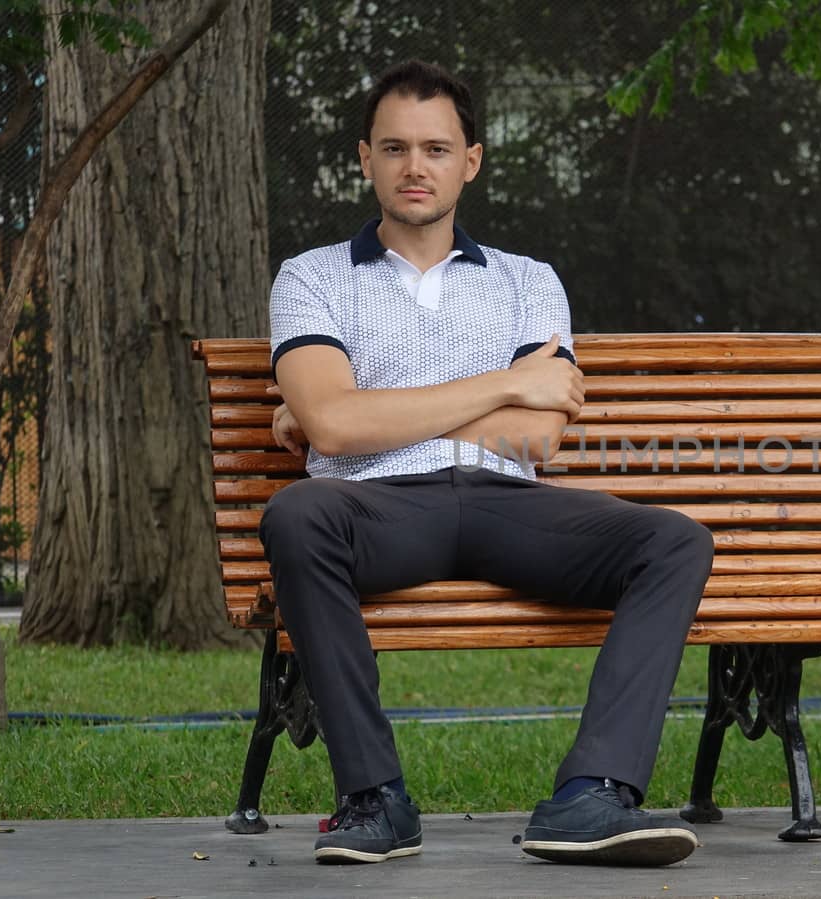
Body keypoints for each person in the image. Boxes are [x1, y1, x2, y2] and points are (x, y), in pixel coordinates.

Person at [261, 59, 713, 867]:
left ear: (470, 161)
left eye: (436, 148)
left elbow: (534, 441)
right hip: (378, 509)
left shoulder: (526, 280)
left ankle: (590, 797)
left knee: (675, 540)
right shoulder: (312, 277)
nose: (414, 167)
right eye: (395, 148)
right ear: (365, 157)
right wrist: (506, 382)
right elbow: (334, 421)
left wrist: (361, 413)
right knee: (297, 512)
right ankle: (376, 799)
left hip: (509, 505)